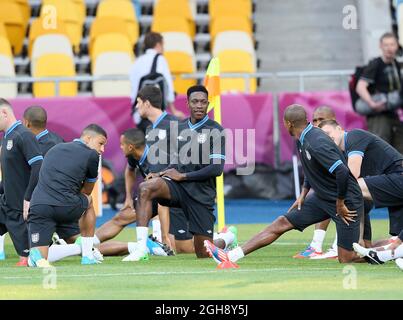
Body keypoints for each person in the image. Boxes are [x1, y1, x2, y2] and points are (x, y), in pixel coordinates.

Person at [204, 104, 364, 265]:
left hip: (346, 202)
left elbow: (342, 171)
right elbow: (312, 169)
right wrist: (303, 194)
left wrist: (341, 202)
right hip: (324, 198)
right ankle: (231, 256)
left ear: (288, 123)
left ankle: (384, 253)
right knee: (282, 222)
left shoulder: (316, 141)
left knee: (346, 258)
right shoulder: (302, 139)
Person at [122, 85, 232, 261]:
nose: (199, 106)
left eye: (203, 102)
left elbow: (216, 169)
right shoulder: (178, 128)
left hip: (201, 194)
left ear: (208, 104)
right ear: (187, 103)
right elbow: (177, 161)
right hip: (178, 188)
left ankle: (226, 239)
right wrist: (160, 174)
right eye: (195, 101)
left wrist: (185, 176)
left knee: (202, 252)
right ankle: (141, 248)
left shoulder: (216, 130)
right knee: (146, 188)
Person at [27, 124, 107, 267]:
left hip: (39, 206)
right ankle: (87, 254)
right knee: (89, 200)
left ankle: (36, 255)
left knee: (40, 260)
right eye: (101, 143)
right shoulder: (92, 155)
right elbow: (86, 191)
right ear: (88, 138)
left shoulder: (54, 148)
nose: (102, 149)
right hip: (65, 206)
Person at [0, 98, 43, 266]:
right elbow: (11, 176)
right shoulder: (7, 137)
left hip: (22, 208)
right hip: (8, 204)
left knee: (32, 258)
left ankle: (76, 248)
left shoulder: (23, 135)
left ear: (4, 113)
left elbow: (38, 165)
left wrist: (28, 197)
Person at [294, 105, 339, 259]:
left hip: (358, 184)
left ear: (333, 120)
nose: (317, 123)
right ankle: (316, 246)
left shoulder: (336, 138)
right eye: (314, 120)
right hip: (335, 187)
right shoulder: (311, 139)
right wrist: (303, 193)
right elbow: (312, 171)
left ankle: (337, 247)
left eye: (322, 119)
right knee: (324, 196)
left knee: (336, 198)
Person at [356, 32, 403, 154]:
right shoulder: (376, 64)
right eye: (386, 45)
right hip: (378, 115)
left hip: (392, 113)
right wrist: (372, 104)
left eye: (392, 44)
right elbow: (360, 87)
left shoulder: (397, 65)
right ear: (380, 46)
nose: (389, 48)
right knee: (381, 149)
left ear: (397, 46)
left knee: (399, 148)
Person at [129, 31, 184, 132]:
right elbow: (169, 87)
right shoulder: (160, 59)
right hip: (154, 113)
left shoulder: (137, 62)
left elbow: (133, 90)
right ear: (158, 45)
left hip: (139, 113)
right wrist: (174, 110)